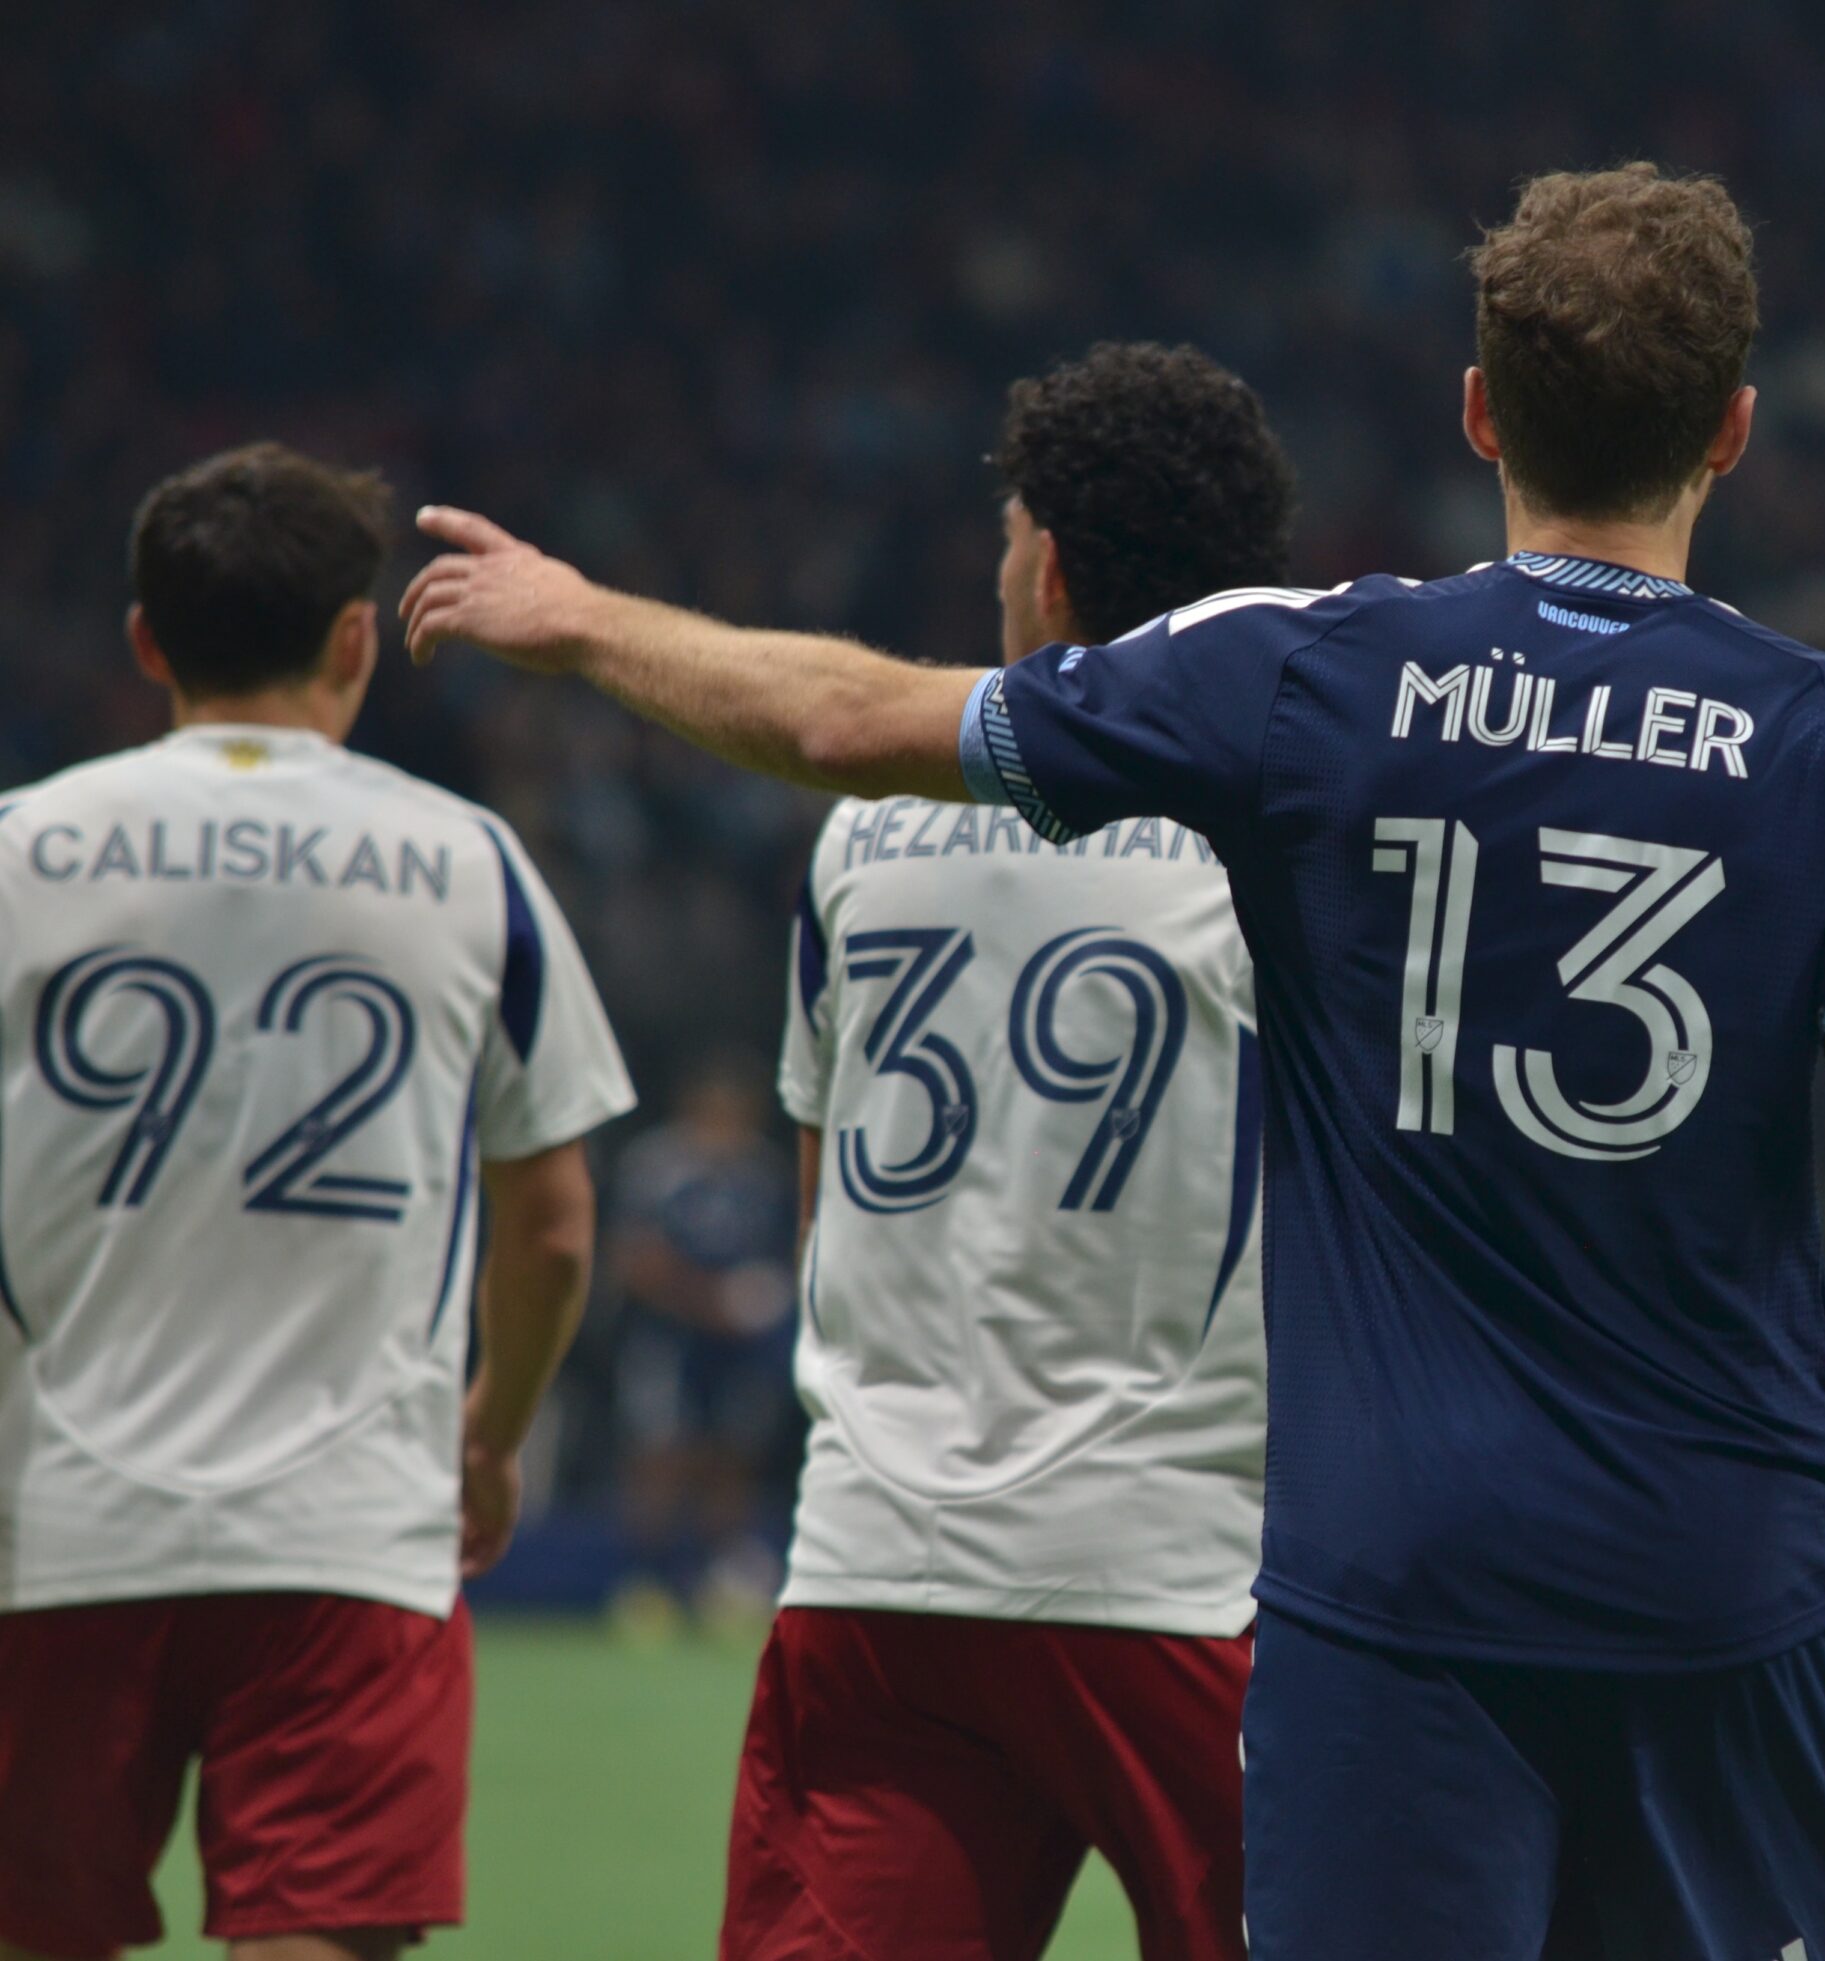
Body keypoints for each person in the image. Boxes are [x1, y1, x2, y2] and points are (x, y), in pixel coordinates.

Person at [402, 164, 1825, 1960]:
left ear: (1478, 410)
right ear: (1735, 428)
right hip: (1723, 1586)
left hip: (1391, 1596)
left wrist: (579, 614)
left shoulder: (1311, 674)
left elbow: (847, 722)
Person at [0, 444, 634, 1961]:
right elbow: (550, 1225)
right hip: (349, 1529)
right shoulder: (467, 861)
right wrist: (489, 1435)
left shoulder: (17, 853)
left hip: (53, 1526)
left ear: (147, 641)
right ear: (357, 639)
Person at [735, 342, 1288, 1961]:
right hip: (1192, 1575)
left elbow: (820, 1182)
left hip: (877, 1571)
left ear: (1044, 566)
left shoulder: (861, 831)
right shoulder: (1275, 823)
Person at [605, 1054, 801, 1624]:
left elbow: (787, 1247)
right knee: (663, 1454)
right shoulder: (659, 1166)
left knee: (731, 1456)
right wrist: (712, 1301)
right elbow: (633, 1257)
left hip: (741, 1346)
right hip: (671, 1339)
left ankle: (721, 1581)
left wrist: (765, 1296)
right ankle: (646, 1585)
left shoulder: (762, 1173)